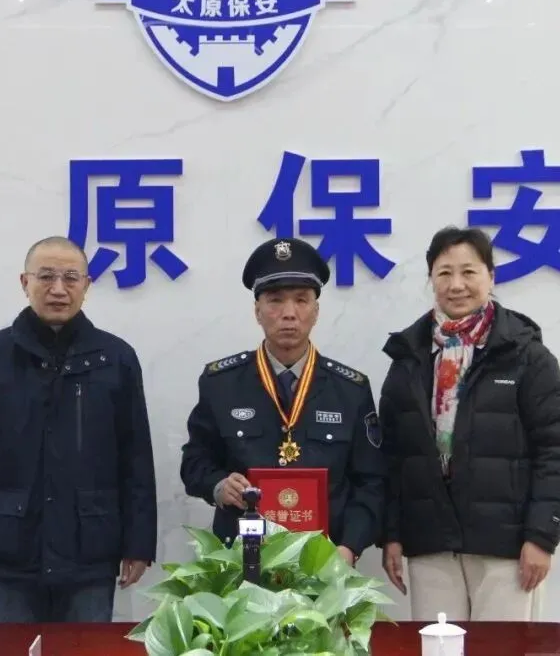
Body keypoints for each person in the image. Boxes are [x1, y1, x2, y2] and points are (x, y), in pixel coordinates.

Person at [0, 236, 157, 623]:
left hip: (90, 551)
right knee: (10, 650)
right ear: (24, 282)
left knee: (85, 649)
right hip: (10, 549)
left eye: (70, 278)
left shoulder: (116, 358)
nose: (58, 289)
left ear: (87, 285)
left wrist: (138, 543)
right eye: (46, 276)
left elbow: (136, 459)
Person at [379, 226, 560, 621]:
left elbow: (554, 451)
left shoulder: (527, 356)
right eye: (444, 273)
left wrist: (541, 536)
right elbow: (392, 457)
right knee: (437, 646)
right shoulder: (408, 358)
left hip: (507, 548)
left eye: (469, 272)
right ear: (431, 279)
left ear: (490, 277)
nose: (456, 285)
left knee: (502, 648)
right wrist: (391, 534)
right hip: (431, 542)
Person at [180, 237, 386, 564]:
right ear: (257, 311)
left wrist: (349, 548)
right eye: (275, 300)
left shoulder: (350, 389)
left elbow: (371, 481)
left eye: (301, 300)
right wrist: (218, 485)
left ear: (316, 312)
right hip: (240, 559)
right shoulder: (221, 384)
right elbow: (195, 462)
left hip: (325, 560)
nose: (289, 314)